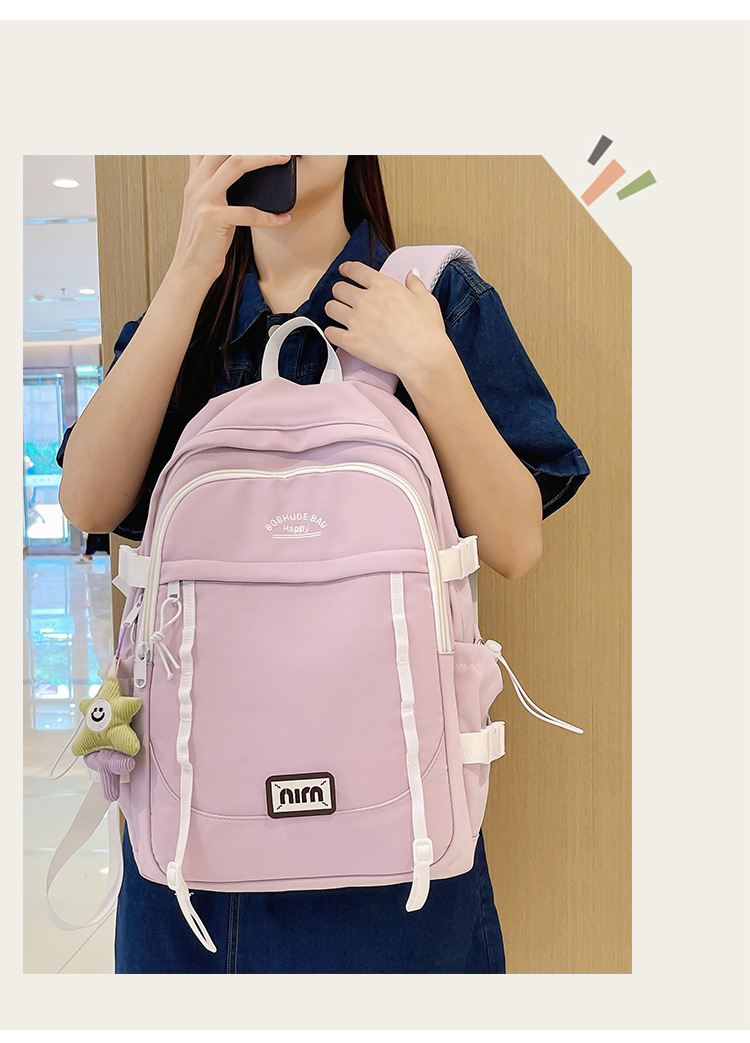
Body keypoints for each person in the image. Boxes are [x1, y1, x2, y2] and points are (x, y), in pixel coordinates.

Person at [57, 155, 590, 974]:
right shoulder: (187, 314)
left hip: (399, 868)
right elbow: (89, 502)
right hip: (192, 865)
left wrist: (428, 361)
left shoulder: (430, 295)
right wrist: (191, 269)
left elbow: (516, 544)